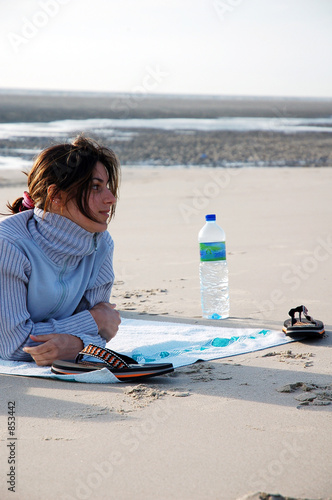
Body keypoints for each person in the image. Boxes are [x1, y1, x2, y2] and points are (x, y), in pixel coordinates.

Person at [0, 135, 121, 366]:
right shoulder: (8, 245)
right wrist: (89, 326)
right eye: (96, 187)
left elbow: (103, 333)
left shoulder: (102, 245)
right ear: (56, 196)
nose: (111, 199)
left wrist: (76, 343)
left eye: (107, 187)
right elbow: (13, 345)